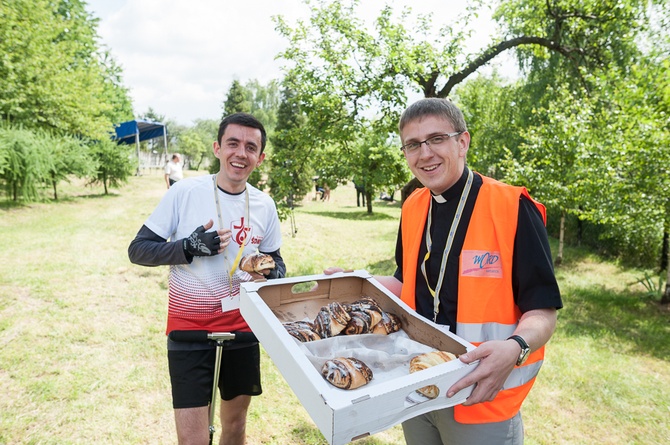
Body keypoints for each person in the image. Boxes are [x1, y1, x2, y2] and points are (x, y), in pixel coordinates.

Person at [326, 98, 562, 445]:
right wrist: (357, 282)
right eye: (413, 145)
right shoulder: (413, 205)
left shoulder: (512, 207)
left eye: (437, 139)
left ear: (462, 141)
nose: (425, 154)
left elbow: (542, 310)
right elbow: (407, 283)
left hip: (482, 394)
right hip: (418, 379)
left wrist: (515, 347)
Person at [128, 113, 286, 445]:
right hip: (190, 331)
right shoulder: (184, 192)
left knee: (236, 427)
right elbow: (138, 250)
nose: (240, 153)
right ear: (217, 147)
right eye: (233, 143)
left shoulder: (264, 204)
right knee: (193, 440)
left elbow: (277, 262)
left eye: (250, 147)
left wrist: (271, 270)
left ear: (260, 157)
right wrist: (186, 247)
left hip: (243, 331)